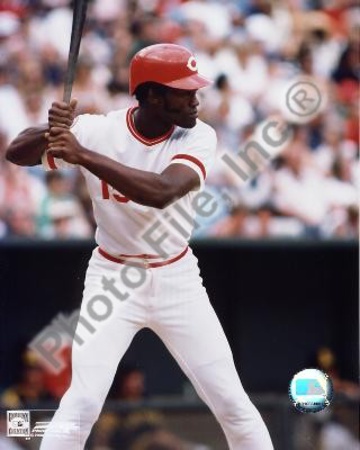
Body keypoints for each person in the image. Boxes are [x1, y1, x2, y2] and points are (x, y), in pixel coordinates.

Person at [6, 43, 274, 450]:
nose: (195, 98)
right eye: (183, 90)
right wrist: (53, 130)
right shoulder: (99, 130)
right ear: (152, 95)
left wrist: (83, 155)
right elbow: (16, 153)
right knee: (81, 404)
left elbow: (162, 191)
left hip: (176, 276)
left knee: (231, 403)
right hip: (113, 278)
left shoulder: (199, 135)